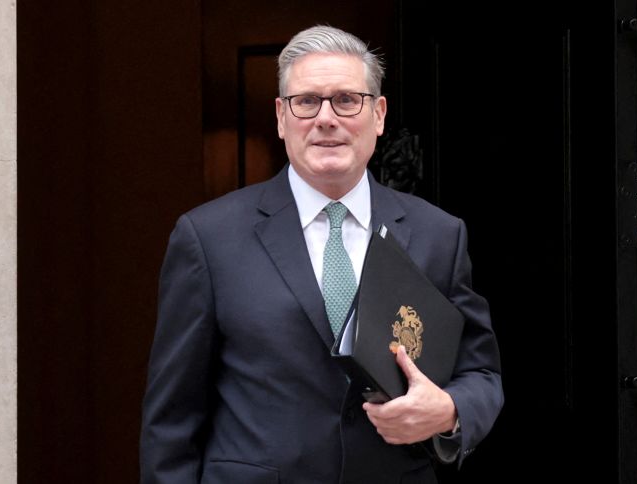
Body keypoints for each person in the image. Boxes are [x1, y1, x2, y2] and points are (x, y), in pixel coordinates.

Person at [140, 25, 503, 484]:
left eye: (347, 100)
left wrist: (449, 410)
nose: (326, 118)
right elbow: (172, 417)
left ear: (378, 115)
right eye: (307, 101)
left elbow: (481, 372)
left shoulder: (439, 234)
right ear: (280, 117)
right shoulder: (208, 238)